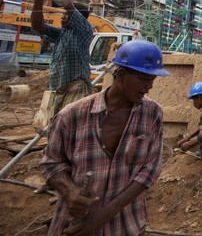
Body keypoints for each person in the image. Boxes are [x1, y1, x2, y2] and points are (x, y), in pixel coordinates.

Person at [42, 39, 170, 235]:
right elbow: (52, 163)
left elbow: (150, 170)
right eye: (144, 80)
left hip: (127, 225)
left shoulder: (152, 113)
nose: (149, 87)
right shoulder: (72, 115)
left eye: (152, 80)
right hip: (75, 225)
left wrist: (104, 215)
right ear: (121, 75)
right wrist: (70, 192)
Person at [31, 0, 94, 127]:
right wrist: (38, 2)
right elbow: (38, 25)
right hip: (59, 89)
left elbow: (69, 5)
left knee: (70, 126)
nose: (62, 16)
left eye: (66, 15)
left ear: (77, 17)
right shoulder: (61, 34)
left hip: (76, 85)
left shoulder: (83, 30)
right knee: (55, 126)